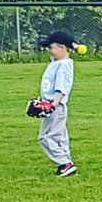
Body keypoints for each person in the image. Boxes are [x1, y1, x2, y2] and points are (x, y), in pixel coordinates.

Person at [36, 30, 79, 177]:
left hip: (55, 106)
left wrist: (54, 103)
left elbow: (62, 86)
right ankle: (66, 164)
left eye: (52, 47)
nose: (50, 51)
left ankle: (64, 163)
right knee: (60, 136)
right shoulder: (57, 62)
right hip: (50, 104)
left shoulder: (64, 65)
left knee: (46, 137)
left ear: (62, 48)